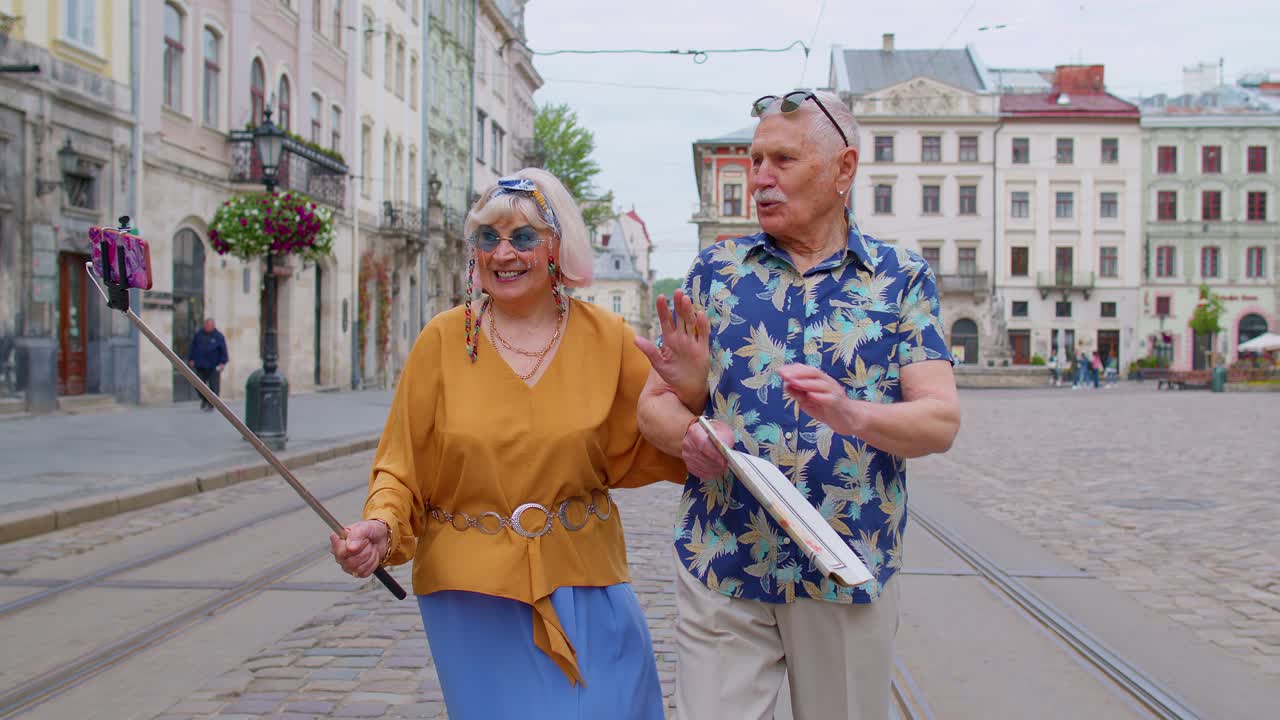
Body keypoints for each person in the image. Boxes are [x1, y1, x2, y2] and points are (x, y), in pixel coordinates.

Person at [634, 90, 962, 720]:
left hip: (843, 562)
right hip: (723, 557)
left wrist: (853, 415)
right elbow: (655, 409)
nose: (760, 177)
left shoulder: (900, 278)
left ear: (843, 169)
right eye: (756, 160)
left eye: (782, 159)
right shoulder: (714, 274)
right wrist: (688, 430)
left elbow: (939, 420)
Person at [328, 168, 685, 719]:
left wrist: (697, 388)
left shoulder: (608, 339)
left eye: (523, 237)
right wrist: (380, 526)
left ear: (556, 247)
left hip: (585, 582)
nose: (504, 254)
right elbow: (401, 465)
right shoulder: (443, 339)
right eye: (488, 239)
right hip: (472, 597)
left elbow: (673, 437)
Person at [186, 318, 228, 411]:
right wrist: (191, 359)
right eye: (206, 325)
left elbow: (223, 351)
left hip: (214, 365)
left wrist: (222, 362)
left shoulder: (219, 336)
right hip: (200, 364)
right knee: (198, 385)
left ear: (213, 326)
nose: (207, 327)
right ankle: (205, 400)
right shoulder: (199, 335)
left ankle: (211, 404)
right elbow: (193, 347)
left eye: (209, 325)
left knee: (214, 386)